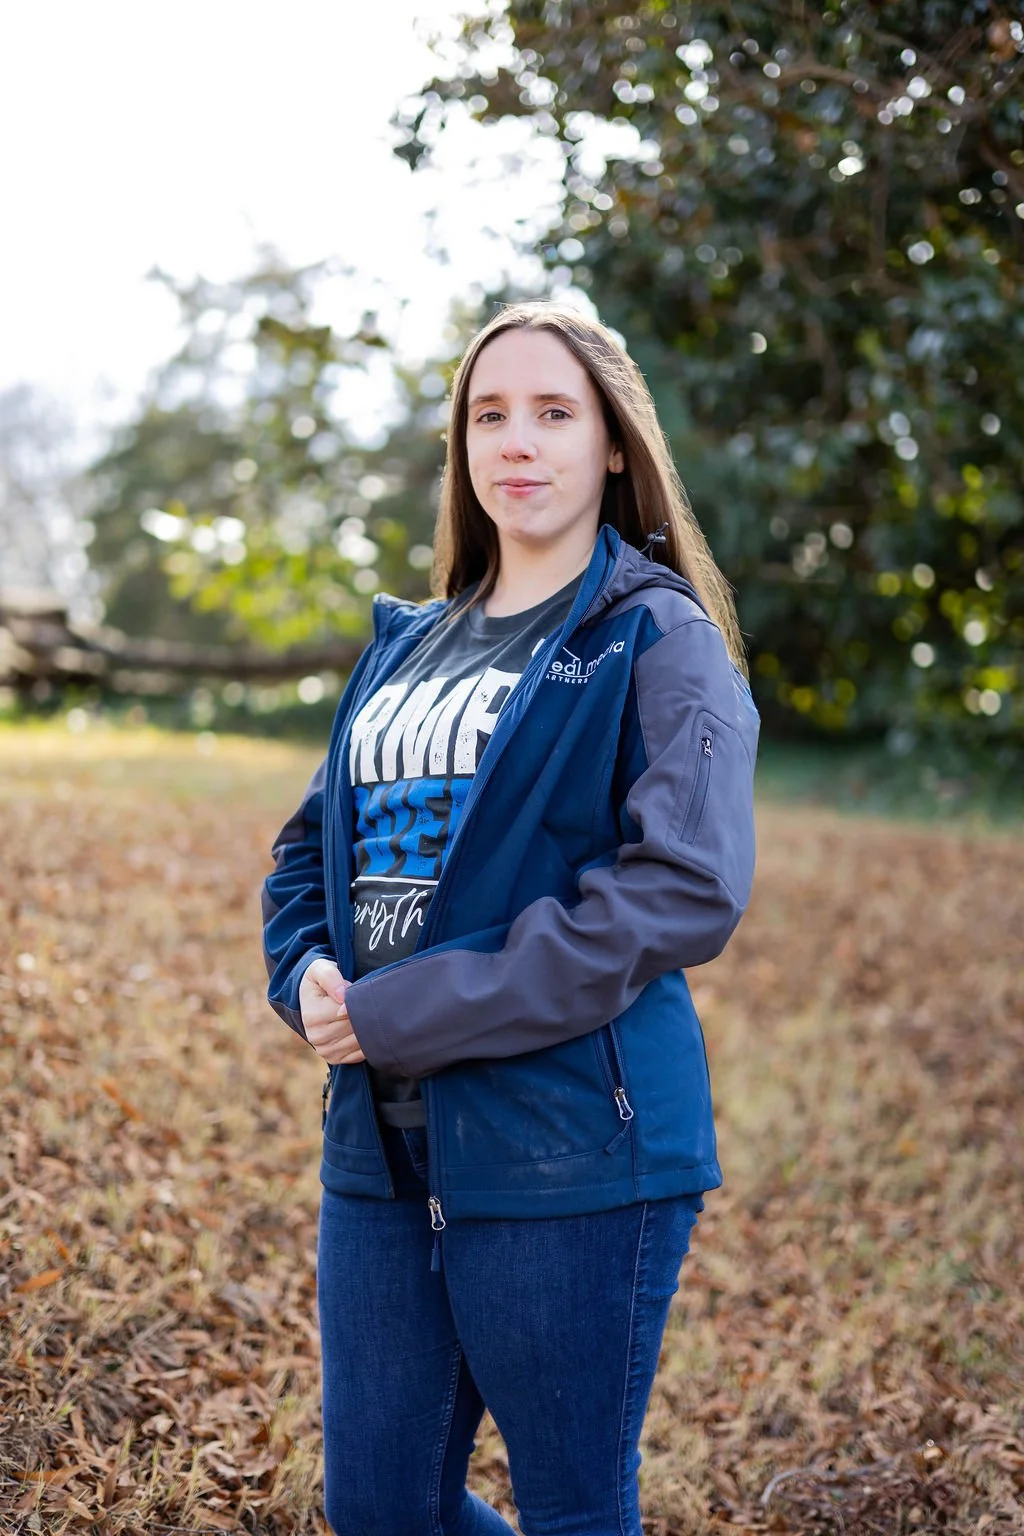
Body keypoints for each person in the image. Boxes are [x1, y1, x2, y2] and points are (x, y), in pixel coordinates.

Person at [261, 299, 759, 1536]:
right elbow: (308, 850)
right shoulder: (406, 647)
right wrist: (305, 969)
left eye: (552, 412)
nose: (516, 441)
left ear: (612, 445)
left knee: (573, 1512)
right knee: (381, 1509)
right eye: (489, 415)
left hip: (570, 1147)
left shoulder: (655, 637)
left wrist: (408, 1010)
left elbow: (682, 890)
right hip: (381, 1143)